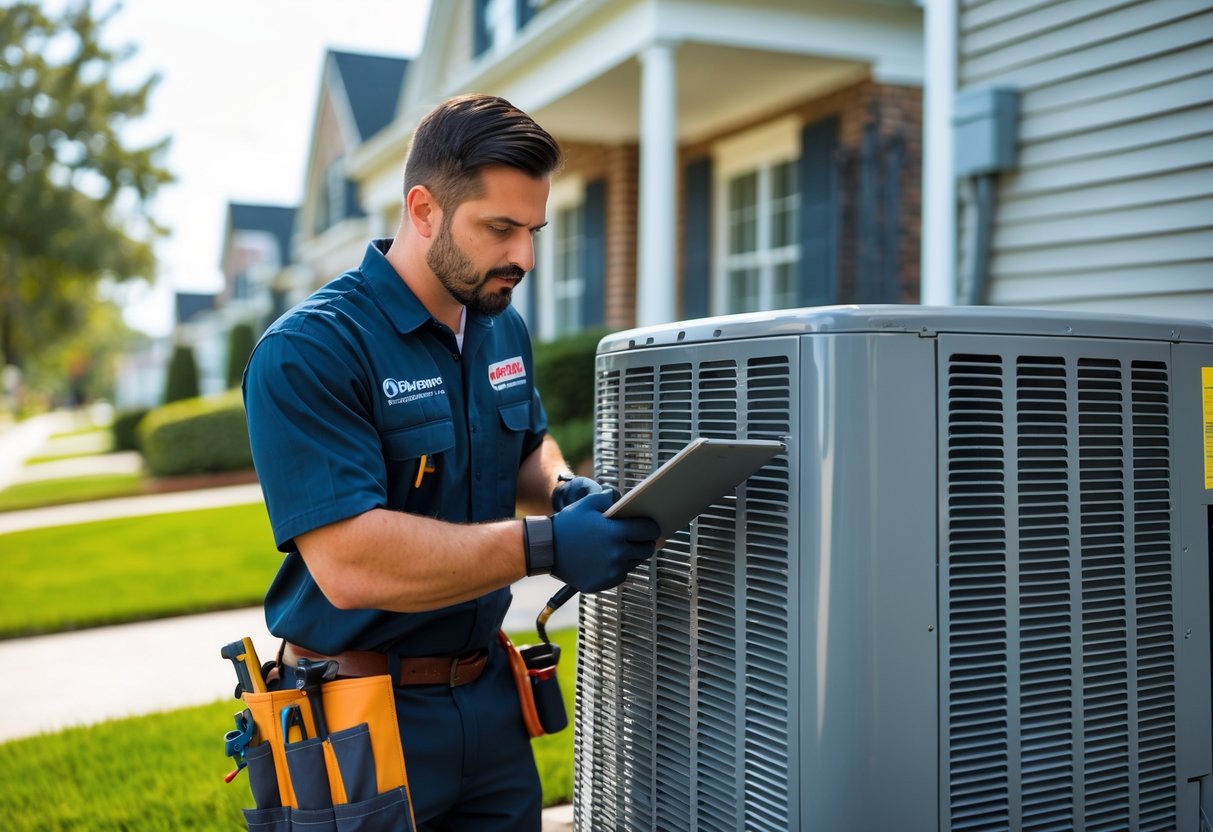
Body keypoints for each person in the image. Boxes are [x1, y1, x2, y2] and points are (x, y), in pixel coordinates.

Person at [241, 93, 660, 830]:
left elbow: (527, 446)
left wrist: (561, 492)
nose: (523, 258)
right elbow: (349, 561)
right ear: (423, 209)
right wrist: (547, 545)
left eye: (532, 230)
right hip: (356, 712)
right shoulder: (310, 349)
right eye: (499, 228)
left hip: (489, 701)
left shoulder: (501, 325)